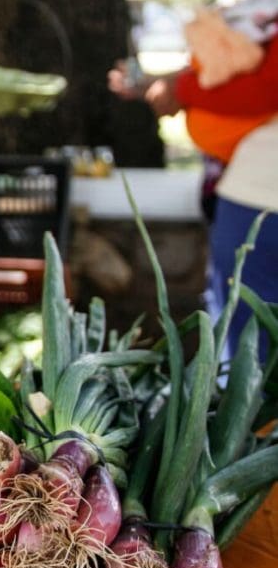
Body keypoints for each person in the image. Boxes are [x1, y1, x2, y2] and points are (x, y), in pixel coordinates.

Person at [109, 37, 278, 362]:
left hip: (261, 202)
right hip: (253, 197)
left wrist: (182, 89)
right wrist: (174, 84)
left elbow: (266, 87)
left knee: (246, 354)